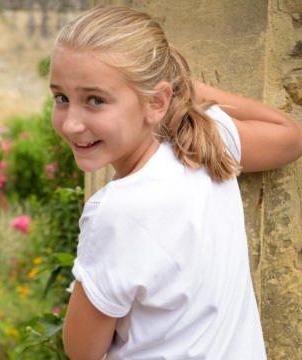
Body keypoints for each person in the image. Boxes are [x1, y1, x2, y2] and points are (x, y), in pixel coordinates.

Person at [49, 6, 302, 359]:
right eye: (61, 98)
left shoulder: (116, 211)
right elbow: (290, 136)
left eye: (95, 100)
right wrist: (186, 91)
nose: (71, 123)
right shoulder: (207, 139)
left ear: (156, 102)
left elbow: (82, 351)